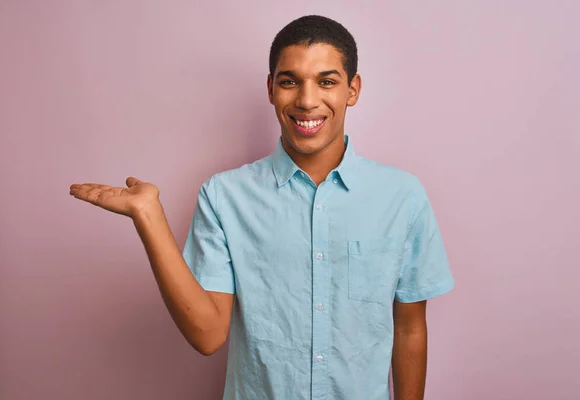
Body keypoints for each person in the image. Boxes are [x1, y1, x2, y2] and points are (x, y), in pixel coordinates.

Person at [69, 15, 454, 400]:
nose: (306, 100)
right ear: (271, 89)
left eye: (326, 81)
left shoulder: (402, 196)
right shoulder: (223, 197)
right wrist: (148, 217)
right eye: (289, 81)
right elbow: (207, 335)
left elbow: (409, 329)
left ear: (352, 90)